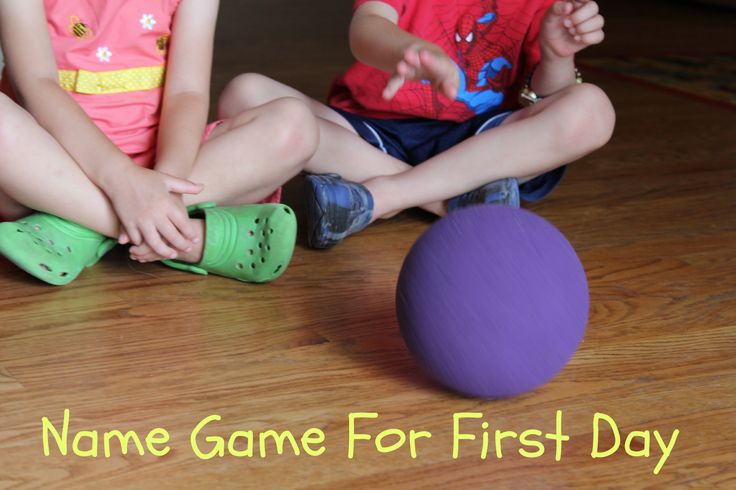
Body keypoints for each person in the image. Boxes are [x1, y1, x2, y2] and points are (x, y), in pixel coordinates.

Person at [217, 0, 615, 248]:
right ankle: (447, 200)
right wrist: (409, 50)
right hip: (371, 133)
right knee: (245, 94)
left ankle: (383, 196)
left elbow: (547, 98)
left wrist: (557, 55)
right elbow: (366, 28)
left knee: (592, 109)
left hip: (482, 143)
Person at [0, 0, 319, 285]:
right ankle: (190, 238)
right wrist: (121, 179)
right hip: (58, 166)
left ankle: (84, 222)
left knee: (294, 125)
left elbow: (187, 93)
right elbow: (37, 84)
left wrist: (169, 185)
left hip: (160, 166)